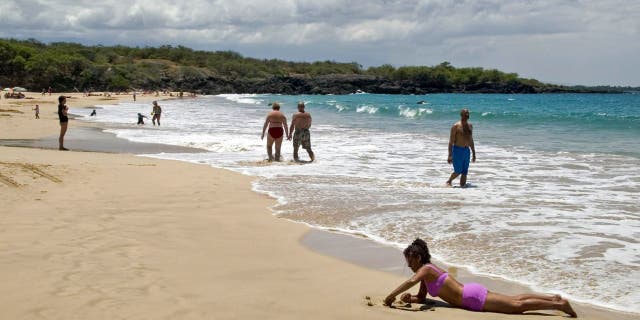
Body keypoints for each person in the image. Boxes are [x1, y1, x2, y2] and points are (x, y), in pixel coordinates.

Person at [384, 238, 577, 317]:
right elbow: (422, 297)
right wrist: (411, 299)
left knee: (517, 307)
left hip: (472, 298)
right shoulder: (427, 275)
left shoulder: (426, 269)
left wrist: (390, 297)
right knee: (515, 300)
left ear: (418, 257)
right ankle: (553, 298)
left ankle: (559, 306)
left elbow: (410, 281)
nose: (409, 266)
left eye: (410, 261)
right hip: (472, 293)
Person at [446, 108, 476, 187]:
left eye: (468, 113)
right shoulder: (456, 126)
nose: (467, 115)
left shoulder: (470, 126)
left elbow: (471, 140)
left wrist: (474, 153)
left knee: (465, 171)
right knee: (458, 170)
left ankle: (463, 188)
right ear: (461, 115)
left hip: (467, 151)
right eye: (465, 113)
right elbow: (451, 142)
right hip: (458, 150)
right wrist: (450, 155)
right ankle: (449, 181)